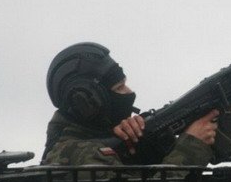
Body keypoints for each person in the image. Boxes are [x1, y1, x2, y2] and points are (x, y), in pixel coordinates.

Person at [41, 42, 217, 167]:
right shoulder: (78, 154)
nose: (129, 92)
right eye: (119, 87)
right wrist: (191, 146)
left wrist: (152, 146)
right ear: (87, 104)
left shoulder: (103, 142)